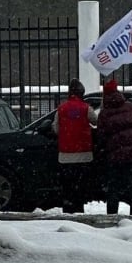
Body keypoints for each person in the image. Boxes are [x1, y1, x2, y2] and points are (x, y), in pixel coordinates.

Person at [96, 78, 132, 215]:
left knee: (114, 187)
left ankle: (112, 213)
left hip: (116, 153)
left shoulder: (104, 114)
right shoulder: (130, 106)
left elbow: (100, 134)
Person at [52, 79, 97, 214]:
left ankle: (68, 209)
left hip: (65, 155)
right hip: (84, 153)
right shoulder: (86, 108)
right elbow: (96, 121)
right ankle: (79, 209)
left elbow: (55, 128)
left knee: (68, 187)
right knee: (80, 187)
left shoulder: (61, 108)